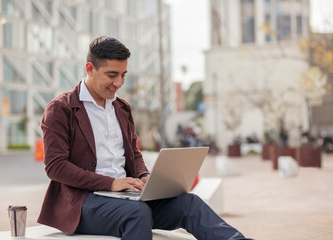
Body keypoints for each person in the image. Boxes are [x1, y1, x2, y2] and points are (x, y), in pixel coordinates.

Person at [38, 36, 250, 240]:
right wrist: (110, 183)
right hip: (83, 203)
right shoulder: (61, 109)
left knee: (190, 203)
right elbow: (56, 167)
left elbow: (133, 152)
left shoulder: (121, 108)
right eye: (112, 75)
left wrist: (144, 176)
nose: (119, 82)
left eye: (123, 75)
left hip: (127, 198)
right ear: (90, 69)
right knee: (137, 213)